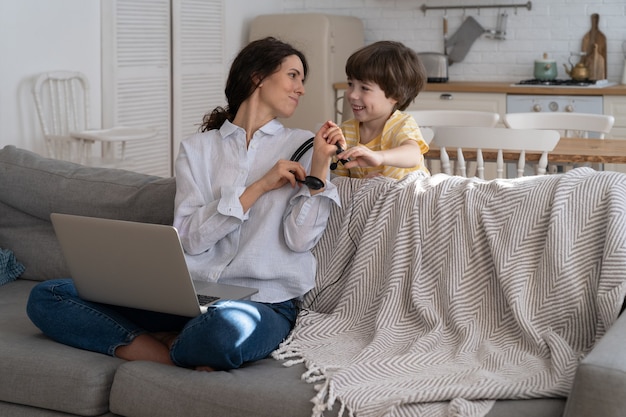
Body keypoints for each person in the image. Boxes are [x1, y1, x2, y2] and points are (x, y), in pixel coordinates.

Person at [26, 37, 342, 372]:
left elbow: (300, 240)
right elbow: (190, 237)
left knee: (222, 333)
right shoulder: (197, 149)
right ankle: (163, 351)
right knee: (49, 296)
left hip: (264, 301)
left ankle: (176, 340)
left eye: (302, 79)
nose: (301, 88)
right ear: (258, 76)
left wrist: (321, 167)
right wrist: (259, 187)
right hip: (190, 295)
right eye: (293, 75)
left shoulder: (304, 146)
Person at [329, 41, 430, 179]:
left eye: (364, 88)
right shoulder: (345, 132)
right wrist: (362, 186)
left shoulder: (401, 124)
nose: (352, 94)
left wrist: (379, 157)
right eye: (351, 84)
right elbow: (339, 185)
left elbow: (413, 154)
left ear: (395, 95)